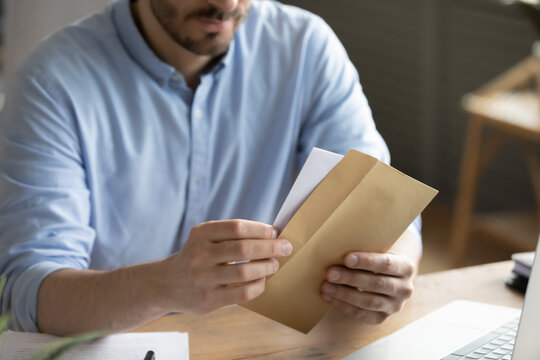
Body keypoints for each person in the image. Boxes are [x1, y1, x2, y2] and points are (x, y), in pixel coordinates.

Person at [0, 0, 421, 336]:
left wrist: (392, 271)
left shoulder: (305, 48)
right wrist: (162, 285)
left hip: (256, 339)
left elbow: (383, 209)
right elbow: (29, 294)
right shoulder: (51, 81)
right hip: (111, 342)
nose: (226, 3)